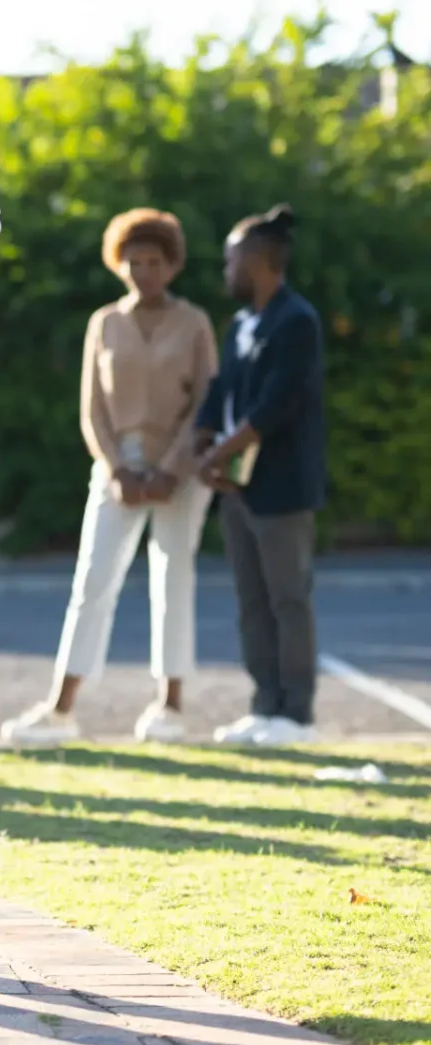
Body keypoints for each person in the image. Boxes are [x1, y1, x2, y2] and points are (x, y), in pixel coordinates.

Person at [0, 209, 219, 746]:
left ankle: (170, 706)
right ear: (118, 263)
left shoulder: (194, 324)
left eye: (153, 262)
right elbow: (91, 409)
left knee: (173, 580)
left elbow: (208, 404)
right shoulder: (105, 323)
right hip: (116, 469)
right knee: (92, 582)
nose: (142, 271)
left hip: (180, 472)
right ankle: (60, 709)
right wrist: (118, 468)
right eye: (132, 261)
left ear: (172, 265)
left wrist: (169, 470)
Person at [195, 205, 326, 747]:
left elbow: (276, 405)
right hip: (236, 486)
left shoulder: (297, 320)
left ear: (255, 260)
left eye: (231, 258)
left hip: (281, 486)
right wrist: (204, 441)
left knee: (288, 599)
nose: (225, 268)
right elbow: (223, 389)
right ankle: (264, 706)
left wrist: (218, 455)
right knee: (251, 601)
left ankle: (296, 716)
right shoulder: (242, 322)